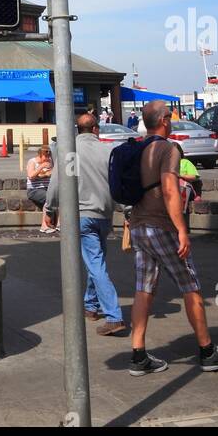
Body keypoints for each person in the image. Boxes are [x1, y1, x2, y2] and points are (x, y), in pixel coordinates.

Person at [129, 100, 218, 376]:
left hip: (139, 226)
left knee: (144, 288)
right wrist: (181, 230)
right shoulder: (168, 149)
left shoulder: (138, 148)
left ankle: (138, 354)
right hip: (161, 226)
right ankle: (207, 351)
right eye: (170, 116)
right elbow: (170, 191)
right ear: (165, 120)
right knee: (190, 285)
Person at [76, 112, 127, 336]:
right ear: (96, 129)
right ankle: (90, 305)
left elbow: (59, 181)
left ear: (78, 130)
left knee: (96, 264)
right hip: (104, 215)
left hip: (82, 213)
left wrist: (50, 206)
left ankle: (114, 316)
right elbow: (118, 182)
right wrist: (127, 210)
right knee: (96, 260)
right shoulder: (109, 151)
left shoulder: (69, 150)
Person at [25, 144, 53, 227]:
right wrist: (41, 167)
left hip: (47, 188)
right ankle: (44, 226)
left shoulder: (50, 162)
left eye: (49, 156)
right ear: (40, 155)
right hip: (34, 190)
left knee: (57, 196)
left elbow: (52, 173)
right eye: (45, 156)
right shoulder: (32, 162)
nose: (47, 158)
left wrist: (43, 174)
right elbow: (31, 176)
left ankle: (58, 224)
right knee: (49, 197)